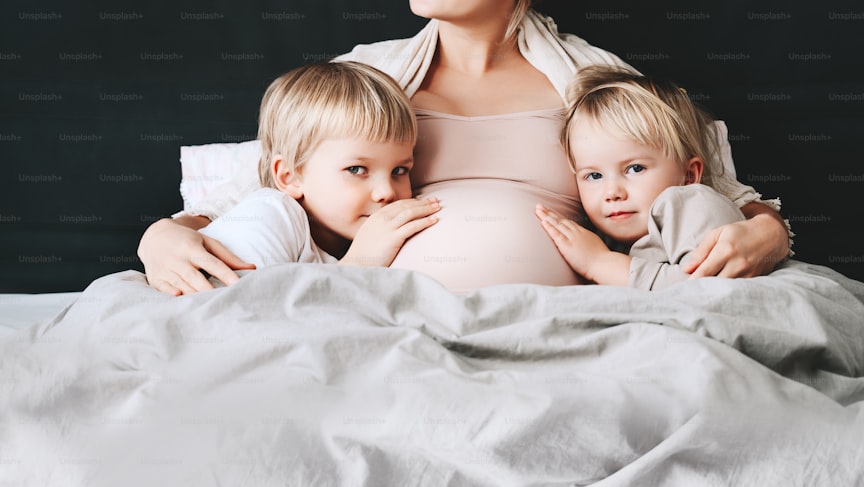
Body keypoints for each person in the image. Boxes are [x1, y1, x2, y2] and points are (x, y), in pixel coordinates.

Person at [137, 0, 791, 295]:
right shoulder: (368, 75)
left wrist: (768, 235)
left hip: (550, 322)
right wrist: (163, 235)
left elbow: (721, 192)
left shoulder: (591, 76)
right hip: (385, 319)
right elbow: (264, 184)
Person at [198, 61, 440, 275]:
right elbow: (247, 314)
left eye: (399, 171)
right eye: (356, 169)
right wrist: (357, 265)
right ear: (290, 176)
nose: (386, 192)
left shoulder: (350, 236)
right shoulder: (269, 217)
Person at [535, 65, 750, 289]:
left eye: (635, 169)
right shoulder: (610, 236)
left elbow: (704, 286)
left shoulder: (694, 205)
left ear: (688, 175)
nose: (613, 193)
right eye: (595, 175)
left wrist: (598, 263)